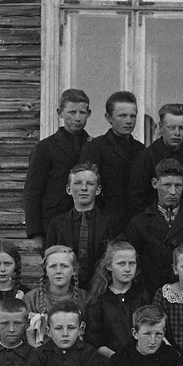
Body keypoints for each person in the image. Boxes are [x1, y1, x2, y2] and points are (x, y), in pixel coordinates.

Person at [122, 158, 183, 296]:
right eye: (167, 185)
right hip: (150, 295)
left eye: (178, 185)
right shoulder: (139, 224)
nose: (173, 192)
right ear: (155, 183)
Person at [25, 88, 91, 251]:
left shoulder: (94, 146)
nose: (77, 118)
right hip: (53, 226)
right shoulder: (45, 148)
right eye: (72, 112)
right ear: (60, 113)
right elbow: (32, 192)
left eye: (82, 112)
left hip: (86, 225)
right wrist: (36, 234)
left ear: (89, 114)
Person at [44, 162, 118, 288]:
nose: (84, 188)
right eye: (77, 183)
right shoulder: (57, 224)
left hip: (102, 288)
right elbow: (49, 260)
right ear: (68, 189)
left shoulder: (110, 222)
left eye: (90, 184)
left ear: (98, 190)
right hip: (67, 289)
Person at [79, 90, 144, 228]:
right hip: (103, 224)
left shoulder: (141, 150)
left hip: (136, 223)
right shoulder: (95, 148)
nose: (129, 121)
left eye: (133, 116)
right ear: (108, 118)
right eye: (122, 115)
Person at [85, 241, 150, 359]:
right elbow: (95, 340)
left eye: (132, 263)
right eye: (121, 264)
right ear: (109, 266)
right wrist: (118, 359)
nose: (127, 269)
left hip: (140, 360)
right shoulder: (99, 299)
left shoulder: (142, 295)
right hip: (109, 362)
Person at [129, 103, 183, 218]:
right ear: (161, 127)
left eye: (181, 128)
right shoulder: (145, 158)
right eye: (171, 127)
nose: (177, 133)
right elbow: (137, 200)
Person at [23, 245, 87, 340]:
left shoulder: (84, 297)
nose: (58, 271)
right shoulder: (31, 298)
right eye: (52, 266)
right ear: (46, 271)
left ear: (74, 270)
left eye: (64, 266)